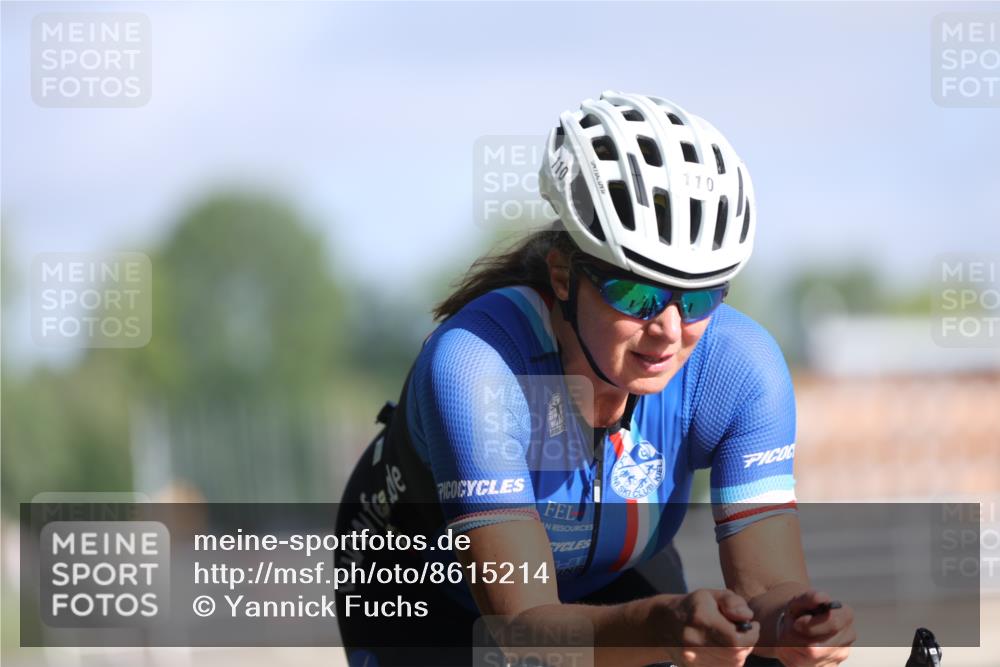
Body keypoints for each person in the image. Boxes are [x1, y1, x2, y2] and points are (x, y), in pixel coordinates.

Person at [334, 90, 856, 666]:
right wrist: (661, 627)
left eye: (700, 297)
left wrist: (791, 623)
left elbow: (768, 585)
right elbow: (525, 631)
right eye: (635, 293)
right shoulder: (477, 367)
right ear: (563, 276)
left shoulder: (740, 367)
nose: (669, 329)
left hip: (613, 573)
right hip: (432, 596)